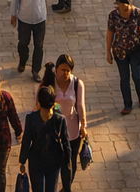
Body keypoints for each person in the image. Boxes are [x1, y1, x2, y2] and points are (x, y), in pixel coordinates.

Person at [106, 0, 140, 114]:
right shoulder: (113, 15)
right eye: (122, 4)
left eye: (126, 3)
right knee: (124, 78)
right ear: (118, 4)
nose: (124, 6)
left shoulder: (137, 13)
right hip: (120, 52)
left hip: (136, 50)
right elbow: (110, 32)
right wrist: (108, 51)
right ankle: (127, 104)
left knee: (137, 76)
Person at [19, 83, 71, 192]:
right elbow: (66, 143)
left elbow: (26, 141)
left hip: (36, 162)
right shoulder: (60, 119)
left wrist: (22, 161)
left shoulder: (31, 118)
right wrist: (67, 160)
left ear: (39, 103)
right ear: (53, 103)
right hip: (54, 161)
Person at [11, 0, 55, 82]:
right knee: (23, 43)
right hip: (24, 18)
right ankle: (23, 60)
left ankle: (36, 70)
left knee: (39, 46)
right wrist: (13, 14)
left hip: (39, 18)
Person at [51, 56, 88, 192]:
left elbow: (80, 105)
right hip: (54, 129)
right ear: (56, 69)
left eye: (68, 70)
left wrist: (83, 125)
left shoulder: (77, 84)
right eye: (62, 70)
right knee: (57, 160)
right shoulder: (50, 82)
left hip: (72, 129)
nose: (65, 73)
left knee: (70, 160)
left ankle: (67, 187)